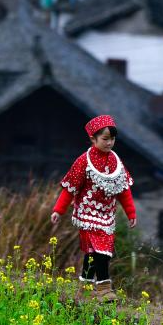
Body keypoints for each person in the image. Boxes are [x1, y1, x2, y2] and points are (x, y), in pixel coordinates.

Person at [50, 115, 136, 301]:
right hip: (87, 213)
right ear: (93, 139)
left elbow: (124, 190)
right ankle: (104, 288)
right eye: (105, 139)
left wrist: (131, 213)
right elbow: (70, 188)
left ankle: (85, 285)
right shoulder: (83, 161)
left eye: (112, 139)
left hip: (107, 214)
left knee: (93, 251)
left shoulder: (116, 161)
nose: (109, 143)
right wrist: (59, 210)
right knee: (101, 250)